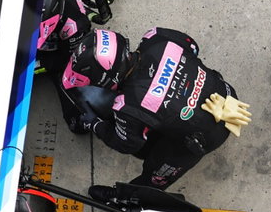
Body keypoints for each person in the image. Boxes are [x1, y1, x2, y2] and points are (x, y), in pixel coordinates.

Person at [63, 27, 251, 191]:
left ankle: (131, 197)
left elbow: (126, 144)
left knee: (155, 173)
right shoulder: (156, 37)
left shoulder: (129, 105)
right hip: (227, 95)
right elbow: (192, 47)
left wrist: (95, 124)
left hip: (211, 134)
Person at [34, 0, 103, 134]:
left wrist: (34, 66)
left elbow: (62, 61)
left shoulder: (76, 28)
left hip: (61, 53)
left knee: (77, 119)